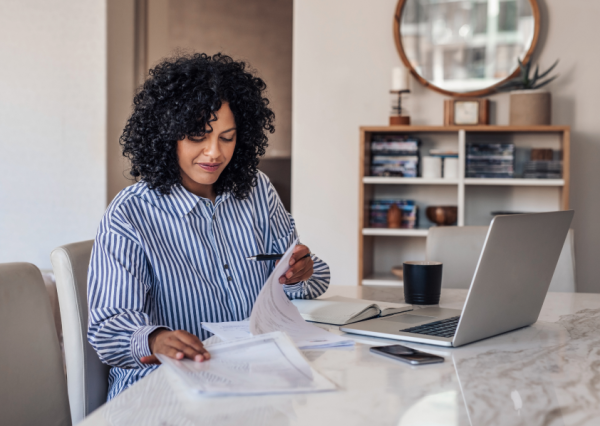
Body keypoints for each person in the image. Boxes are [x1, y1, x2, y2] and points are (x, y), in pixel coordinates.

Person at [87, 53, 330, 400]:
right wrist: (155, 340)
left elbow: (299, 286)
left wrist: (300, 273)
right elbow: (109, 327)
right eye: (198, 136)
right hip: (163, 391)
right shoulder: (131, 213)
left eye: (227, 138)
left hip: (256, 380)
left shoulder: (258, 191)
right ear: (167, 134)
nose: (214, 153)